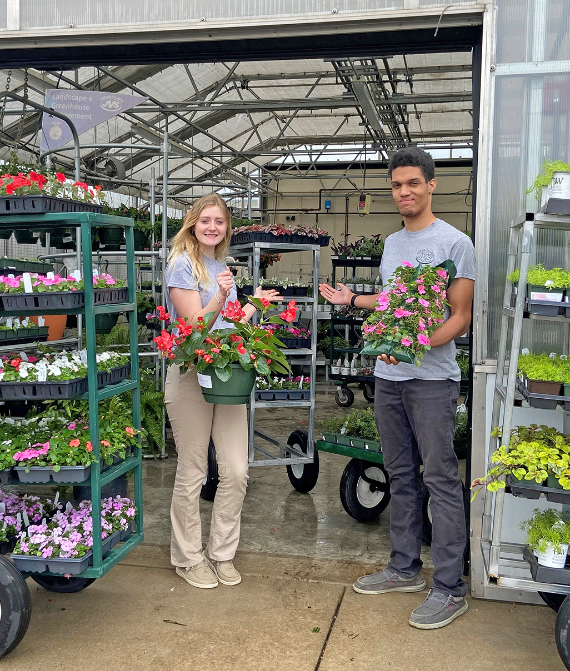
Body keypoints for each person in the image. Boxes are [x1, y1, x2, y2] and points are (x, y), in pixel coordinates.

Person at [319, 147, 475, 629]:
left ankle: (450, 587)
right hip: (388, 379)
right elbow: (393, 304)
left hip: (431, 381)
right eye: (396, 185)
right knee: (400, 474)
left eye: (412, 183)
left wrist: (412, 344)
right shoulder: (391, 244)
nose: (403, 192)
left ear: (431, 185)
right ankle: (404, 568)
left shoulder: (455, 243)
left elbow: (460, 318)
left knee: (441, 479)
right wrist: (356, 299)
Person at [164, 193, 283, 589]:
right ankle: (188, 557)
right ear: (192, 224)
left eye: (219, 221)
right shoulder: (182, 265)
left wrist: (254, 305)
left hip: (225, 373)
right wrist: (220, 294)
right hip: (190, 373)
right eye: (205, 220)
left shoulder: (219, 266)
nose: (212, 227)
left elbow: (226, 326)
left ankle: (222, 554)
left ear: (227, 228)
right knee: (193, 470)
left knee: (236, 469)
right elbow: (196, 325)